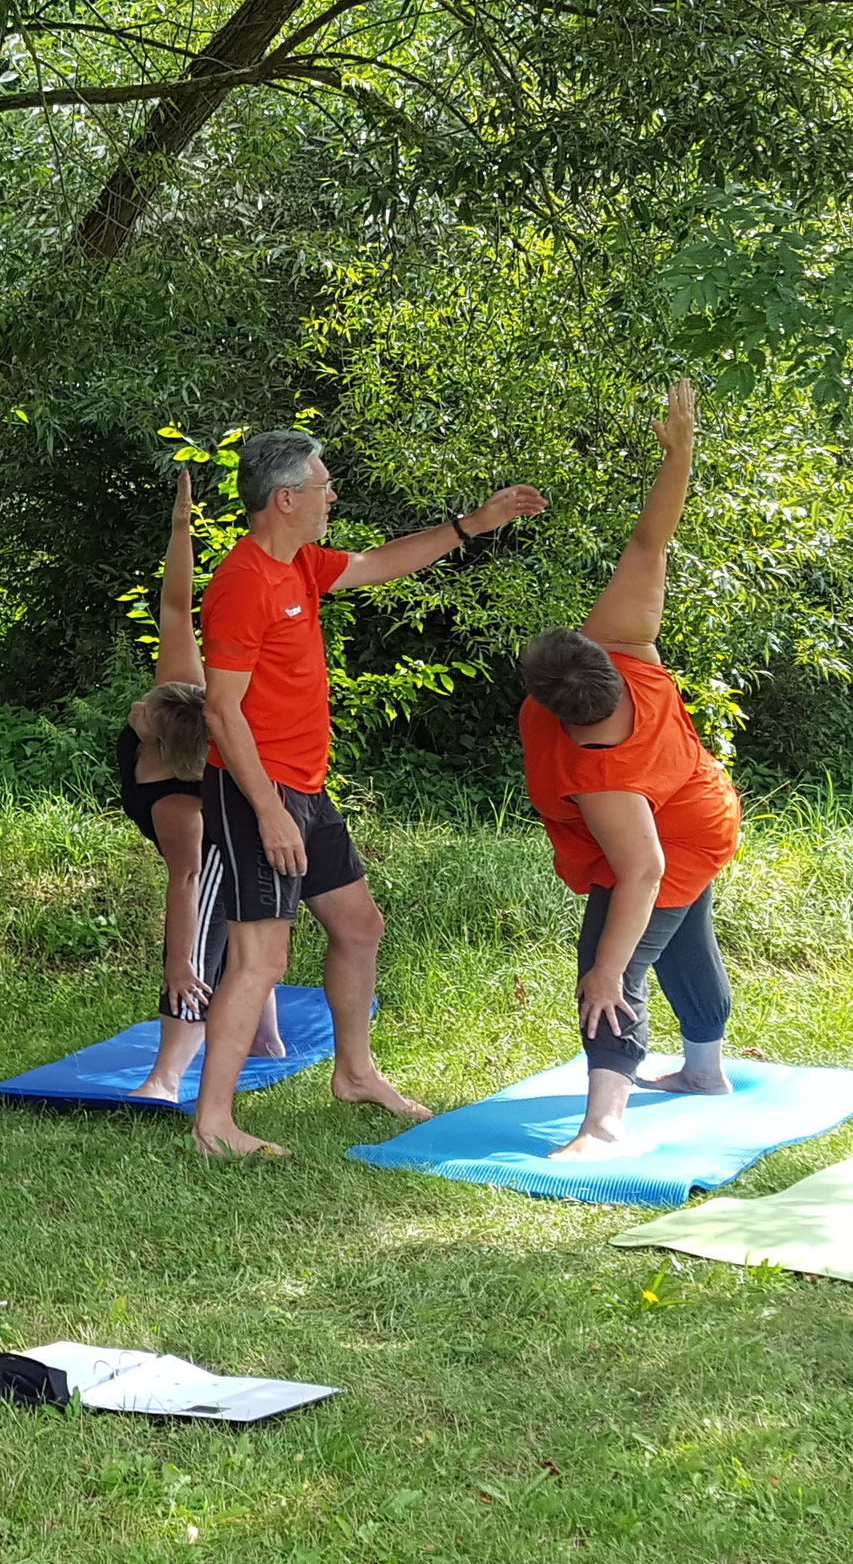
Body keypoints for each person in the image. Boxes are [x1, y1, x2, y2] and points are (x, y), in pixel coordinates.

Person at [184, 428, 547, 1155]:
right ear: (285, 499)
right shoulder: (243, 583)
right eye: (323, 487)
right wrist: (268, 814)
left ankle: (354, 1073)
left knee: (359, 928)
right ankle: (213, 1125)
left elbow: (381, 563)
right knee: (261, 961)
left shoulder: (299, 566)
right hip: (260, 793)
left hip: (306, 789)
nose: (332, 496)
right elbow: (221, 712)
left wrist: (472, 525)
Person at [517, 381, 742, 1161]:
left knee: (616, 959)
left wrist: (607, 970)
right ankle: (704, 1072)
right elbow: (652, 542)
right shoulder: (625, 644)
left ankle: (603, 1125)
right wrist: (679, 453)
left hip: (669, 835)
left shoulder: (601, 772)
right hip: (701, 803)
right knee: (687, 935)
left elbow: (641, 871)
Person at [123, 466, 280, 1099]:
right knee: (237, 934)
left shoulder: (181, 809)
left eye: (144, 716)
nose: (136, 708)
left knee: (199, 958)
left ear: (161, 742)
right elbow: (174, 606)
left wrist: (176, 961)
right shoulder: (183, 699)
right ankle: (268, 1038)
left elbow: (184, 884)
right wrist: (181, 525)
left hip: (230, 844)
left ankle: (164, 1079)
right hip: (234, 820)